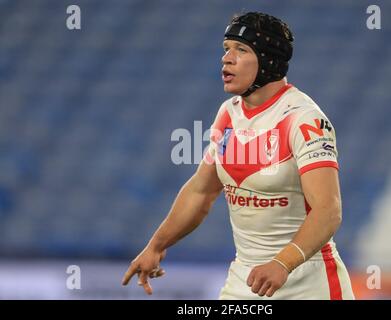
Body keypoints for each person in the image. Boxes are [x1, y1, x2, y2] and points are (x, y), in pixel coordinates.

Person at [122, 11, 354, 300]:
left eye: (241, 50)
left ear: (269, 60)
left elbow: (328, 211)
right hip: (246, 283)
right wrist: (156, 246)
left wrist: (283, 263)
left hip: (309, 286)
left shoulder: (304, 119)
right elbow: (200, 191)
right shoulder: (228, 113)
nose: (226, 58)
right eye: (226, 49)